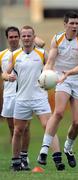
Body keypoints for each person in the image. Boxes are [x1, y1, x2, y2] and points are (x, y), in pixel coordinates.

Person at [2, 25, 65, 171]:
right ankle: (16, 162)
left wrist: (54, 78)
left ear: (33, 36)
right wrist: (8, 76)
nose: (26, 38)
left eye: (28, 35)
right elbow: (5, 73)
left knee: (48, 126)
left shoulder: (42, 53)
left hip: (40, 98)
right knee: (18, 130)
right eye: (23, 36)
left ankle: (57, 159)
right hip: (22, 99)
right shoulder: (15, 55)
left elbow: (52, 69)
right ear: (21, 38)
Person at [37, 11, 78, 168]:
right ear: (65, 24)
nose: (75, 26)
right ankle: (44, 150)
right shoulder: (57, 38)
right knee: (59, 112)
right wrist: (46, 74)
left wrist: (68, 73)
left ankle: (68, 147)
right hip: (61, 79)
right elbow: (51, 61)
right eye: (72, 23)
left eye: (77, 23)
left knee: (77, 123)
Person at [0, 26, 30, 170]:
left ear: (19, 37)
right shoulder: (2, 55)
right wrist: (7, 77)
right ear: (7, 38)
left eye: (15, 36)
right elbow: (3, 74)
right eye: (10, 37)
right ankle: (16, 159)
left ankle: (24, 158)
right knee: (13, 129)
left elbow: (41, 45)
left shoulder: (25, 52)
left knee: (25, 128)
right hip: (9, 95)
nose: (13, 39)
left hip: (23, 94)